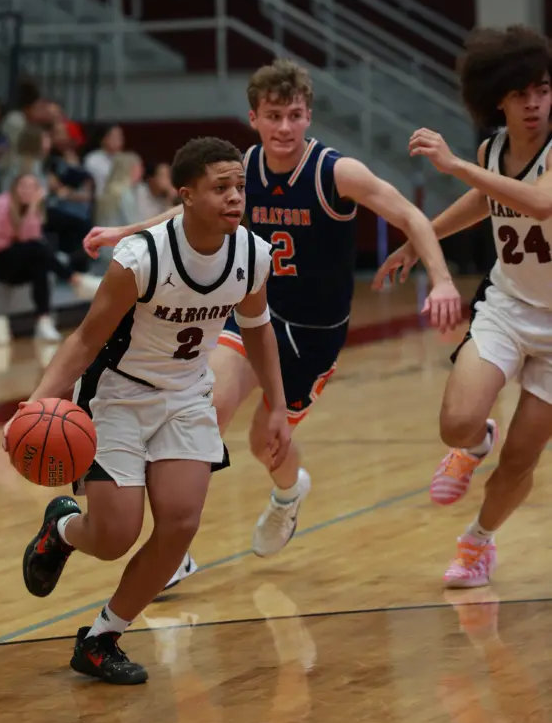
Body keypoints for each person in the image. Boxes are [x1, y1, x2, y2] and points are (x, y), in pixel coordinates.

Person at [83, 59, 462, 570]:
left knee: (267, 442)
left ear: (309, 117)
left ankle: (288, 494)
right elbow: (188, 210)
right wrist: (126, 233)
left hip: (312, 334)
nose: (284, 127)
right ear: (254, 118)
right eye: (274, 116)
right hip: (252, 314)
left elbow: (410, 215)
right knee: (206, 411)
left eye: (295, 115)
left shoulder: (336, 171)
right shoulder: (245, 169)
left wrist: (441, 279)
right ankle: (175, 548)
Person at [4, 137, 289, 684]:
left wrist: (277, 405)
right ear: (186, 195)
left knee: (180, 523)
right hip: (118, 395)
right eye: (221, 188)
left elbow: (257, 330)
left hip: (186, 396)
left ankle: (101, 638)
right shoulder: (141, 258)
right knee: (115, 536)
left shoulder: (251, 255)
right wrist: (38, 403)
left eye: (239, 187)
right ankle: (62, 529)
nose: (235, 197)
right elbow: (86, 340)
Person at [376, 25, 552, 589]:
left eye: (543, 90)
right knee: (456, 423)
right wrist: (420, 238)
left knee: (520, 460)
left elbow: (539, 203)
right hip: (509, 305)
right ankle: (475, 444)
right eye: (521, 93)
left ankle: (478, 543)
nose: (534, 103)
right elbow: (485, 198)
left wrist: (454, 165)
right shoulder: (492, 151)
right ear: (498, 98)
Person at [0, 173, 100, 342]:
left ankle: (43, 322)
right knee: (36, 250)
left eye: (32, 187)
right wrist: (19, 241)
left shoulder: (30, 209)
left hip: (13, 264)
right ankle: (75, 279)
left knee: (39, 264)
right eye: (23, 186)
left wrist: (32, 208)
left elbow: (30, 239)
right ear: (14, 188)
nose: (27, 191)